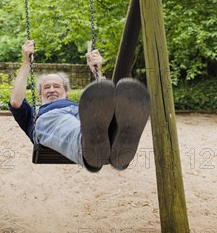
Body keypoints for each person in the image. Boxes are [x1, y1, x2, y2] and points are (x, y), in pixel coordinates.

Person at [9, 40, 150, 172]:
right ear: (40, 94)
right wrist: (26, 62)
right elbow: (15, 101)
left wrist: (97, 71)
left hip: (83, 117)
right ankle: (89, 148)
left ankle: (117, 145)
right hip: (54, 120)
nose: (51, 89)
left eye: (56, 86)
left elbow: (105, 98)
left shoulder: (81, 108)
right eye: (46, 87)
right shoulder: (34, 113)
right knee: (71, 122)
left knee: (99, 114)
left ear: (66, 92)